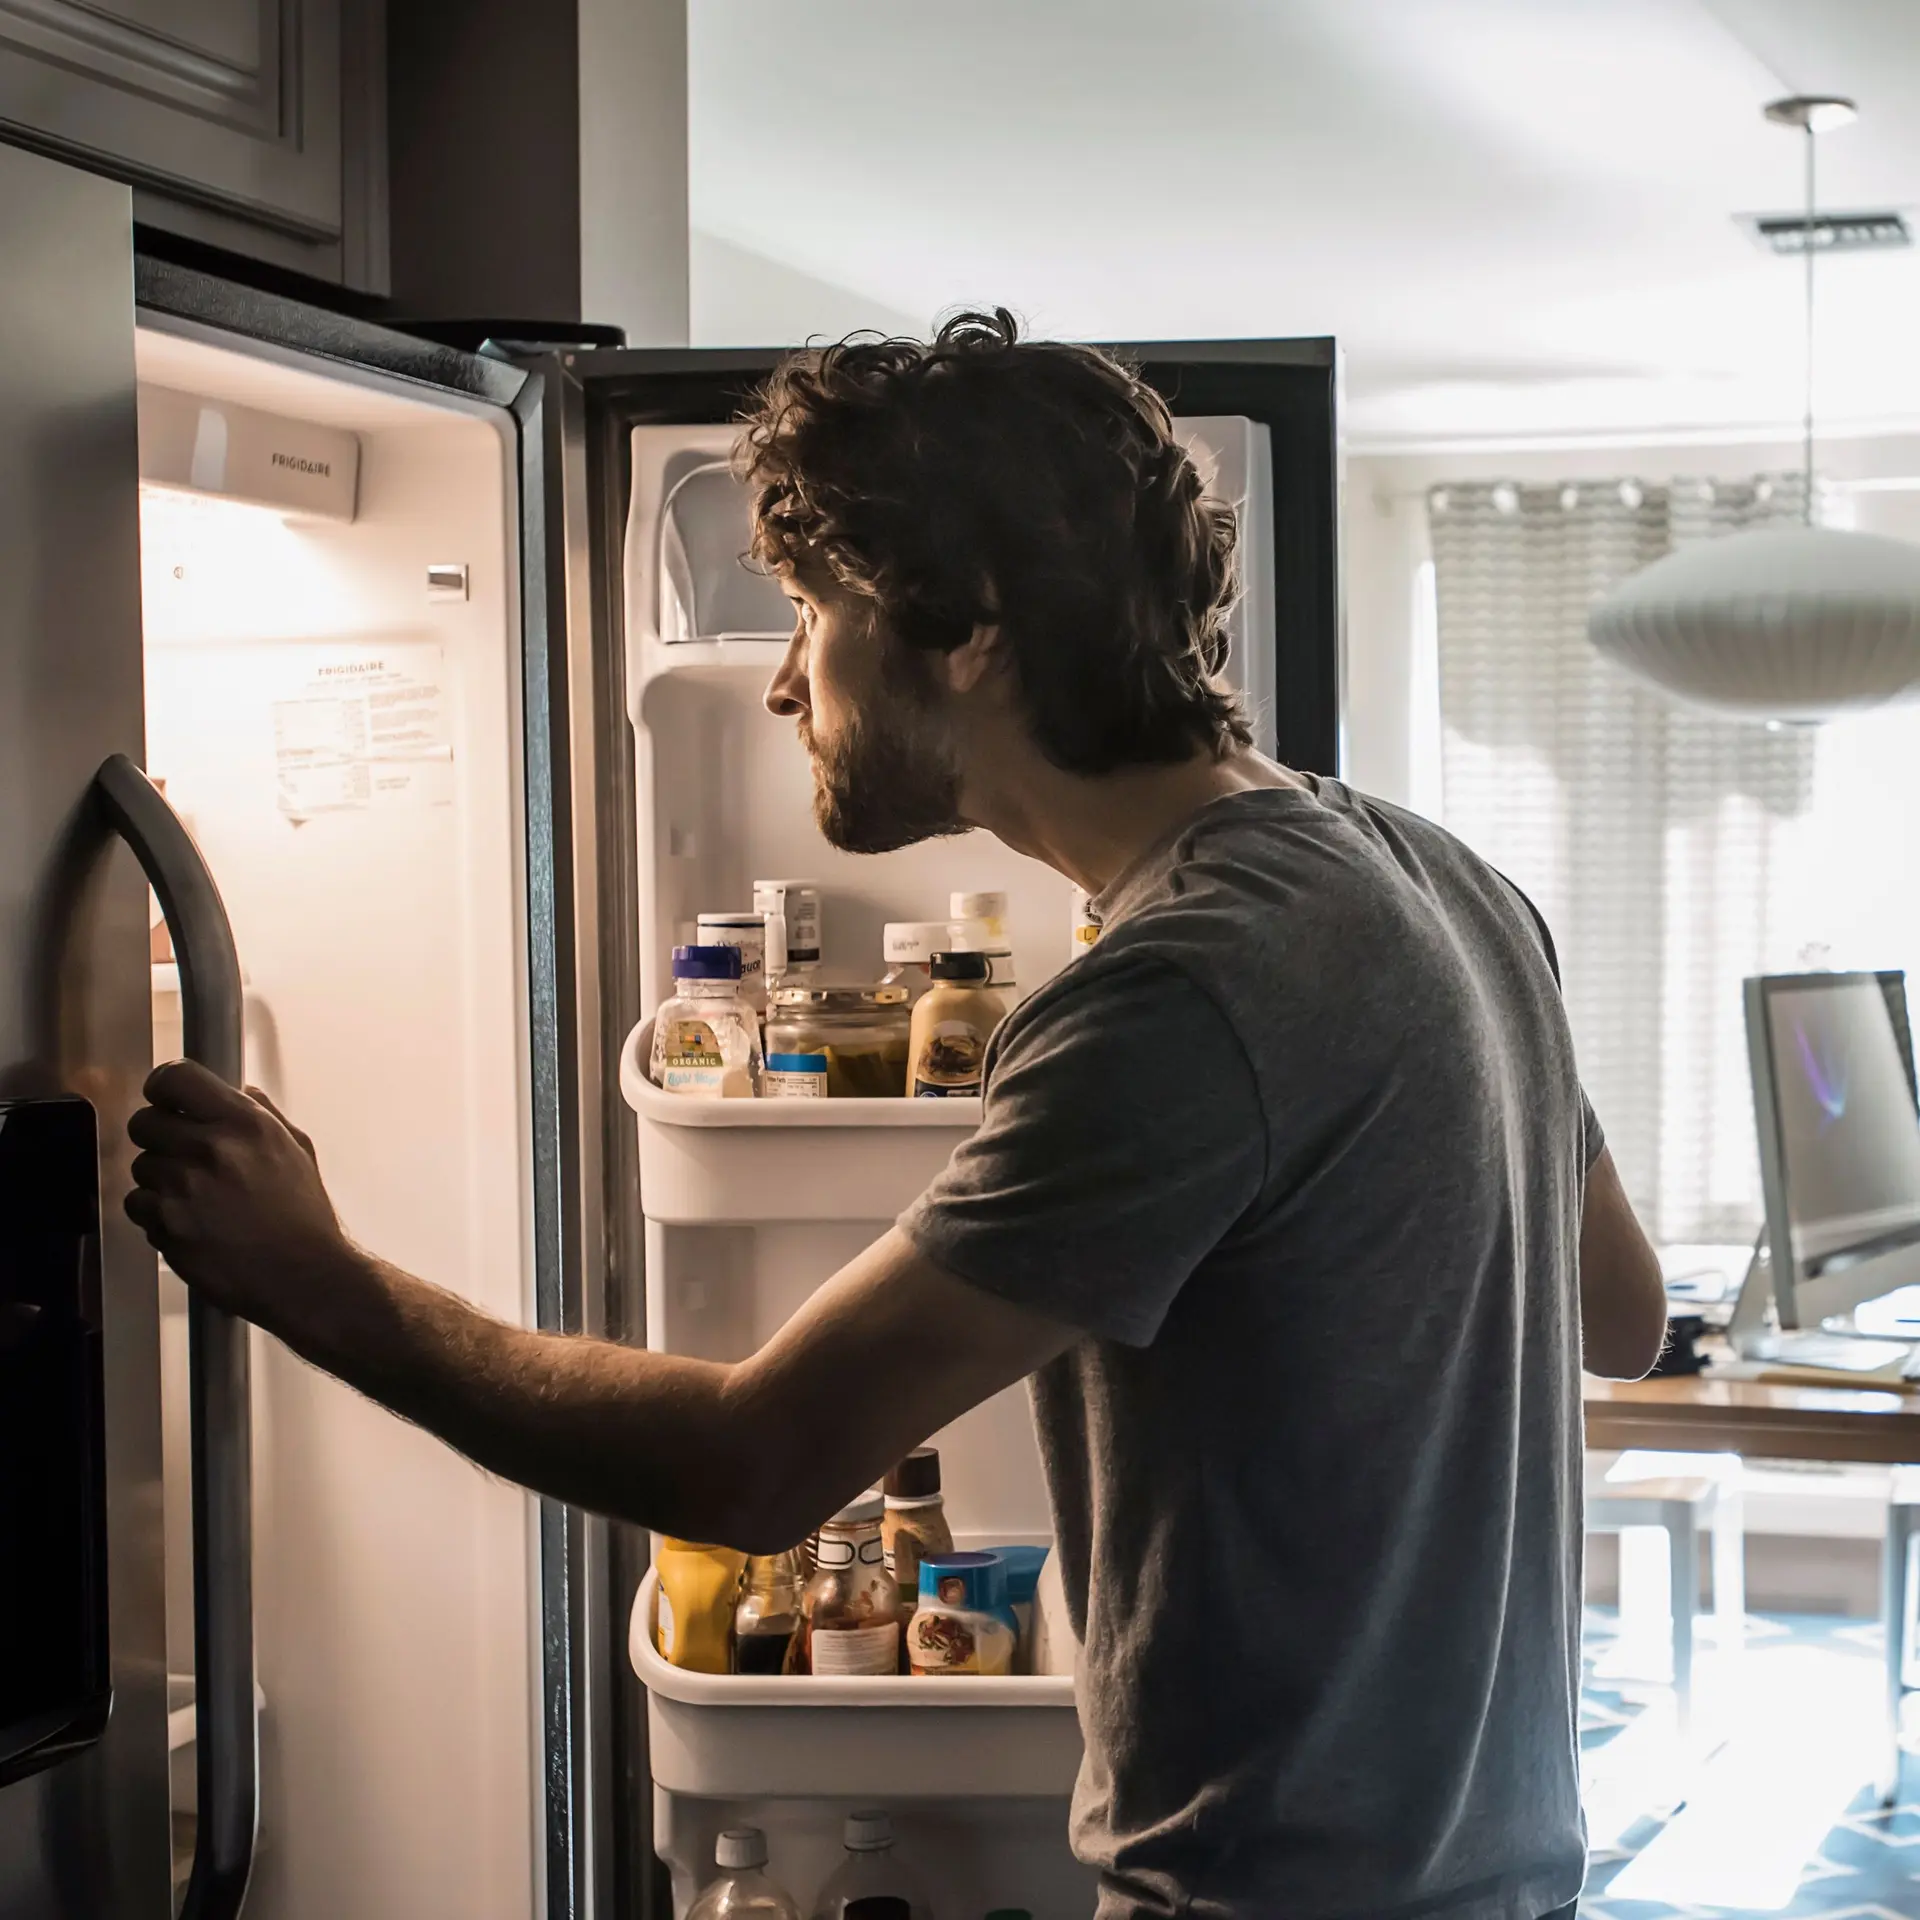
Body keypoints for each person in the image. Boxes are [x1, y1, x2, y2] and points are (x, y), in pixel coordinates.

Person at [125, 310, 1667, 1920]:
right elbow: (1619, 1317)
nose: (787, 681)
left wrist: (313, 1277)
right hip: (1503, 1878)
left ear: (966, 627)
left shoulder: (1177, 993)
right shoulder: (1446, 879)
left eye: (812, 611)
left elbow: (755, 1464)